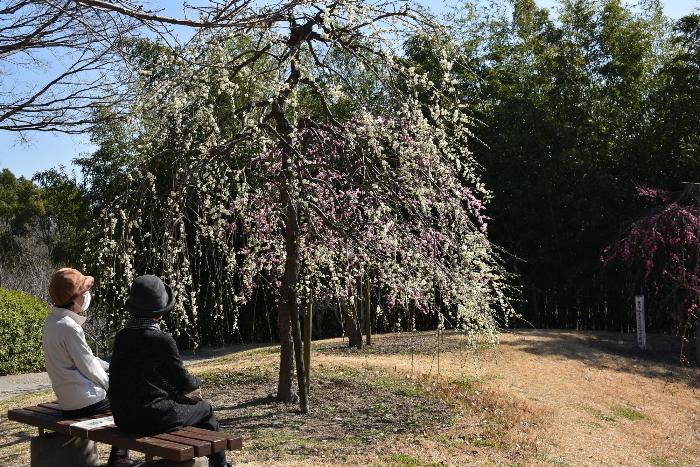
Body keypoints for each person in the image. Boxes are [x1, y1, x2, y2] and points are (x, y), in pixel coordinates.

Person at [108, 275, 230, 467]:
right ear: (159, 312)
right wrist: (197, 383)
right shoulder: (161, 339)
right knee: (205, 410)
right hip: (152, 418)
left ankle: (118, 457)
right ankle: (221, 465)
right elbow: (183, 381)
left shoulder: (122, 337)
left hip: (122, 417)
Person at [43, 268, 139, 467]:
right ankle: (119, 458)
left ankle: (119, 457)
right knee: (131, 401)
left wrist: (111, 366)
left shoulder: (52, 322)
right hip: (85, 402)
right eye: (84, 292)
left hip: (67, 402)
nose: (87, 296)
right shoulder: (70, 327)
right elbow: (89, 367)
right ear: (75, 299)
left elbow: (85, 358)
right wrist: (114, 386)